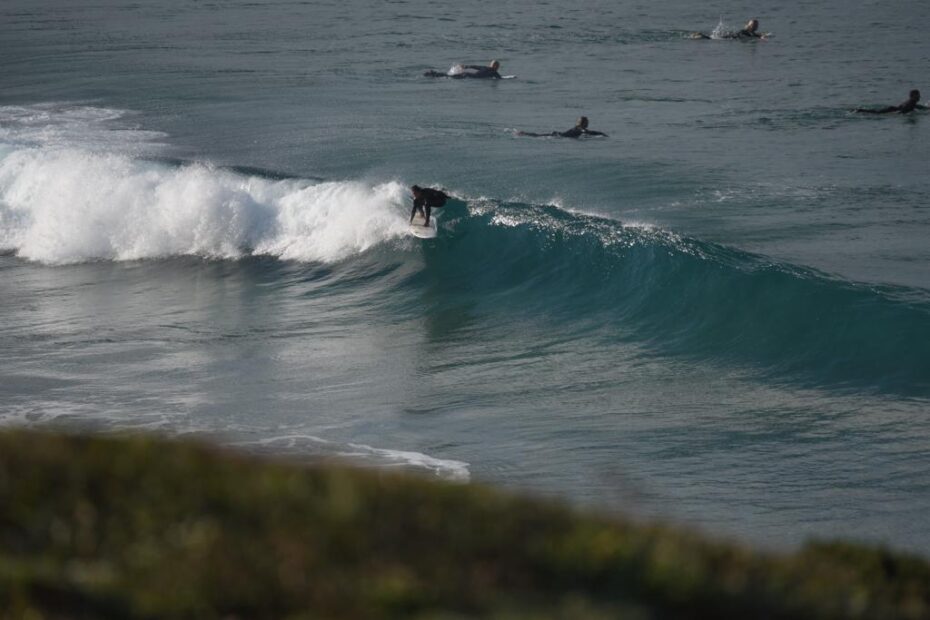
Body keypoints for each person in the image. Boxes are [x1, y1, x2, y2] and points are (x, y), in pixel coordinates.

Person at [517, 116, 608, 138]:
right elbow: (587, 132)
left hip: (558, 135)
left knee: (539, 135)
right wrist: (601, 134)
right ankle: (524, 133)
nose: (588, 123)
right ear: (583, 123)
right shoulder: (580, 129)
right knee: (538, 136)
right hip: (559, 136)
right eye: (587, 122)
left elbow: (588, 131)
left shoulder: (578, 128)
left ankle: (524, 133)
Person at [855, 89, 927, 114]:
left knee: (876, 112)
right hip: (892, 110)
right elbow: (904, 111)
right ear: (914, 96)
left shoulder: (912, 102)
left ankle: (861, 110)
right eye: (918, 95)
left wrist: (927, 108)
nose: (920, 97)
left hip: (892, 108)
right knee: (876, 113)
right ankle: (860, 110)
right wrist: (898, 115)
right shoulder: (911, 103)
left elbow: (918, 106)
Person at [691, 18, 763, 40]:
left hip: (731, 37)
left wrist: (760, 36)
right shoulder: (745, 31)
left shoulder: (751, 33)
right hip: (729, 38)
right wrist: (760, 37)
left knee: (713, 37)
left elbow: (754, 35)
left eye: (756, 25)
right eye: (754, 25)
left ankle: (700, 35)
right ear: (749, 26)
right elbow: (752, 36)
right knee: (711, 38)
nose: (756, 26)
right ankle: (700, 35)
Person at [424, 60, 502, 79]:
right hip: (468, 76)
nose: (498, 68)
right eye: (498, 66)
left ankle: (434, 73)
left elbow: (475, 66)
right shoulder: (493, 71)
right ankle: (433, 74)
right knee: (449, 77)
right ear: (495, 66)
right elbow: (499, 78)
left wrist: (466, 66)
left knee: (449, 76)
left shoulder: (485, 67)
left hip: (467, 74)